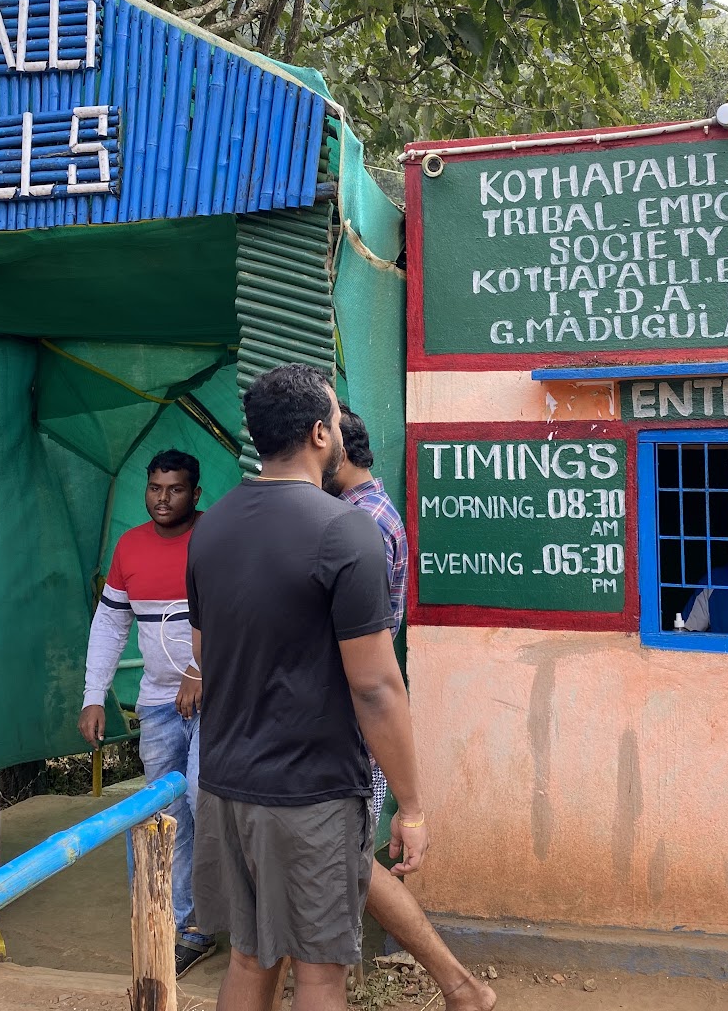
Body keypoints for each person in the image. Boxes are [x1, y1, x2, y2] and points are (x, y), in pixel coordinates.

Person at [187, 364, 428, 1011]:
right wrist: (411, 806)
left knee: (250, 956)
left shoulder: (212, 527)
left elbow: (205, 656)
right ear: (321, 433)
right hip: (310, 790)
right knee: (320, 972)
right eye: (336, 420)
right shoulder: (344, 530)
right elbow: (375, 687)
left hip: (225, 783)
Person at [326, 407, 495, 1011]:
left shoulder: (361, 524)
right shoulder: (366, 513)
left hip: (348, 720)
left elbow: (366, 666)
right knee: (344, 861)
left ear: (336, 451)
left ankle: (459, 985)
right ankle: (457, 987)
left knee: (347, 861)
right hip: (350, 716)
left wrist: (414, 806)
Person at [78, 449, 213, 976]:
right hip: (157, 705)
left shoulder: (216, 536)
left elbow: (241, 611)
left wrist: (201, 668)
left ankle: (216, 918)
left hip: (218, 698)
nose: (163, 498)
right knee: (165, 813)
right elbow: (110, 625)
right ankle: (179, 924)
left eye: (175, 489)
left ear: (195, 494)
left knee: (205, 797)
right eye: (155, 488)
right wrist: (94, 695)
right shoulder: (130, 546)